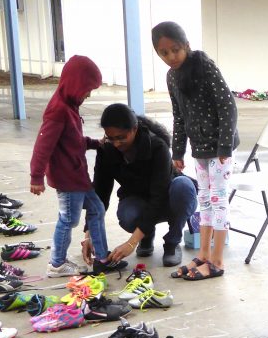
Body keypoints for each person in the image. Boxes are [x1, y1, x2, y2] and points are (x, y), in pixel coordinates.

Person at [152, 21, 239, 280]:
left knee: (218, 200)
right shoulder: (171, 77)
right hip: (199, 149)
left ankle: (217, 261)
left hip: (220, 149)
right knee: (205, 200)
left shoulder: (205, 67)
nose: (171, 57)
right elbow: (179, 116)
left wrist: (224, 145)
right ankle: (203, 255)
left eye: (175, 50)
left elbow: (227, 106)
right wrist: (177, 152)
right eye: (164, 53)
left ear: (187, 46)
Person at [29, 55, 119, 277]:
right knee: (68, 220)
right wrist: (36, 176)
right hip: (68, 180)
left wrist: (95, 143)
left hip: (78, 177)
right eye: (87, 89)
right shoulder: (58, 110)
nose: (88, 95)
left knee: (97, 209)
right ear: (76, 84)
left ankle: (102, 259)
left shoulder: (69, 106)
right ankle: (56, 264)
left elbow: (73, 141)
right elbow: (43, 145)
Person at [81, 103, 197, 268]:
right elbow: (100, 194)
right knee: (127, 215)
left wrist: (131, 243)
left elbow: (159, 196)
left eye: (121, 137)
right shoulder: (106, 150)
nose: (116, 143)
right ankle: (146, 236)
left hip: (168, 199)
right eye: (111, 138)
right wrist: (89, 234)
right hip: (138, 199)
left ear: (134, 129)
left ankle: (172, 243)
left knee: (184, 187)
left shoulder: (157, 146)